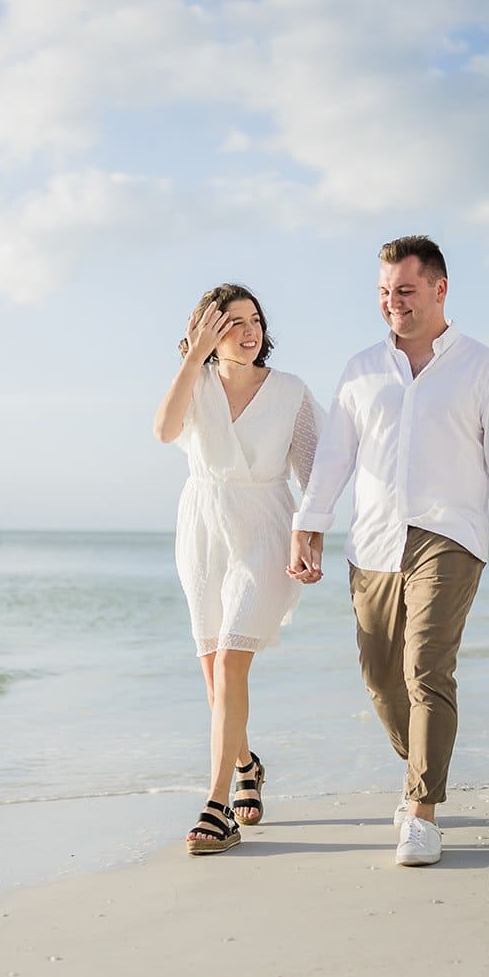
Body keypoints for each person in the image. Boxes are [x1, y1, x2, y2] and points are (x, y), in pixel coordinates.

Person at [288, 236, 489, 867]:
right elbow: (335, 456)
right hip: (373, 541)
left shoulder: (484, 367)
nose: (392, 302)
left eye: (404, 290)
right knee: (381, 677)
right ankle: (420, 768)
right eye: (383, 292)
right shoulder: (361, 369)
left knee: (426, 667)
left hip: (450, 537)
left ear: (439, 289)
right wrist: (309, 523)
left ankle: (423, 814)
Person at [153, 284, 324, 855]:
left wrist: (311, 538)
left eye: (255, 320)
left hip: (266, 529)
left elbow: (317, 473)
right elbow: (164, 430)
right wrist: (191, 359)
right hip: (203, 530)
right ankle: (247, 764)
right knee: (213, 676)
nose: (250, 332)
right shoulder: (195, 383)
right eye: (233, 323)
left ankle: (216, 805)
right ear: (207, 331)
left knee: (230, 663)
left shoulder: (290, 391)